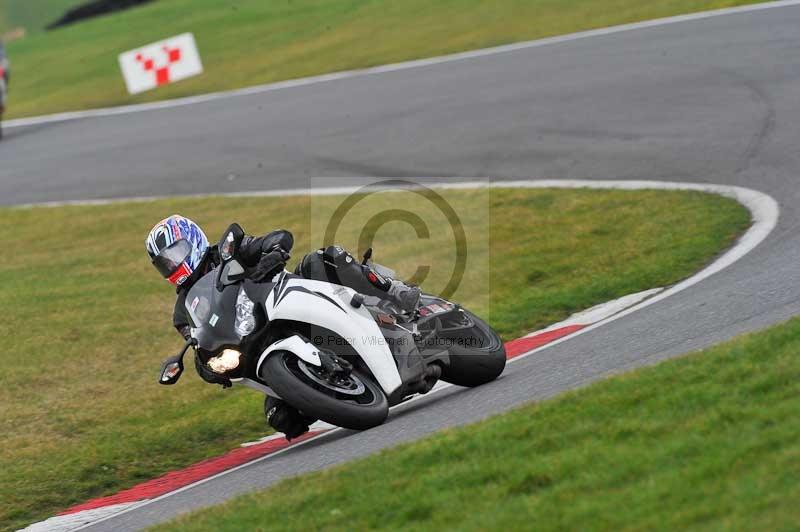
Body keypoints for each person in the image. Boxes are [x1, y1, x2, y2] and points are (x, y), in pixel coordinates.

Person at [145, 215, 421, 439]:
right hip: (253, 342)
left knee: (323, 259)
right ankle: (336, 389)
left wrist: (273, 252)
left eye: (174, 253)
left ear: (192, 240)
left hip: (287, 302)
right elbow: (198, 341)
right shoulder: (183, 312)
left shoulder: (227, 251)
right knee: (280, 417)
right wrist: (207, 367)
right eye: (164, 264)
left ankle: (394, 290)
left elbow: (278, 237)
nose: (172, 265)